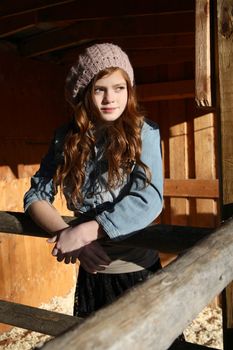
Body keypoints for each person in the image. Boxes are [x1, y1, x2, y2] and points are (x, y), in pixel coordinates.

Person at [23, 43, 164, 317]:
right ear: (85, 93)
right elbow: (35, 196)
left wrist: (87, 231)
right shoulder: (65, 138)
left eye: (119, 88)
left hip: (136, 273)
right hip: (91, 274)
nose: (110, 98)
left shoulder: (143, 133)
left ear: (129, 90)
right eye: (100, 89)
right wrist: (70, 235)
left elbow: (149, 198)